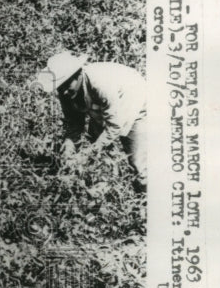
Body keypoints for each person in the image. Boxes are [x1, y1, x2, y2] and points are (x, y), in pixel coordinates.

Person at [33, 51, 147, 189]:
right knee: (101, 155)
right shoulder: (66, 92)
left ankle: (143, 198)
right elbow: (74, 122)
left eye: (66, 84)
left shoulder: (101, 83)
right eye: (59, 86)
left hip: (133, 99)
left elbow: (115, 126)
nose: (63, 91)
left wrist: (89, 153)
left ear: (79, 74)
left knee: (137, 162)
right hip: (104, 105)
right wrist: (69, 147)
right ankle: (109, 187)